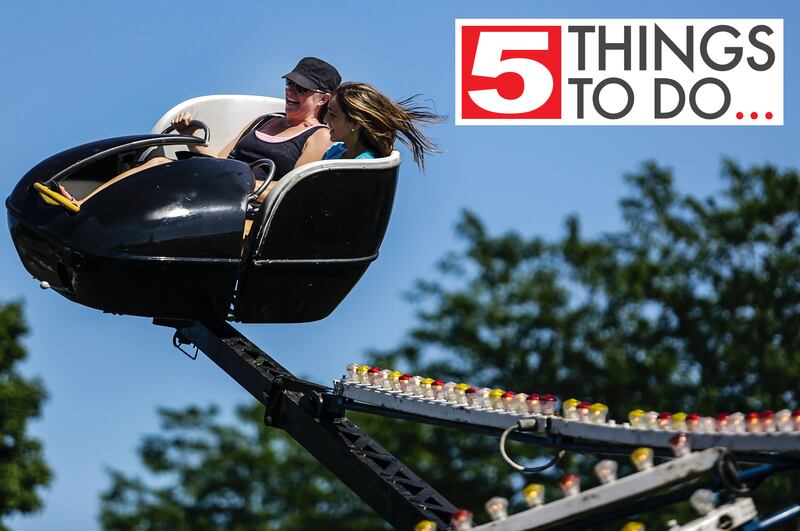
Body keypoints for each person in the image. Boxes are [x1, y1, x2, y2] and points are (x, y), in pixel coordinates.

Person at [62, 57, 340, 204]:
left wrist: (244, 184)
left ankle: (90, 205)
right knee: (158, 162)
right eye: (290, 84)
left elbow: (291, 190)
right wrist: (191, 136)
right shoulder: (264, 120)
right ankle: (88, 201)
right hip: (217, 180)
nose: (291, 92)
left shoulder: (319, 136)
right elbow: (220, 159)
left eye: (301, 89)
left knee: (163, 171)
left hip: (240, 197)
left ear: (323, 99)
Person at [322, 82, 444, 169]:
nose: (325, 119)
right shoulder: (336, 150)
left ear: (356, 122)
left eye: (333, 115)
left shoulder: (365, 166)